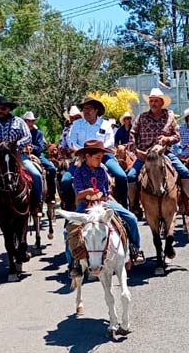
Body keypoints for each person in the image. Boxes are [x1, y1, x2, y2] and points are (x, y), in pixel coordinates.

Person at [65, 140, 143, 274]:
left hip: (104, 202)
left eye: (101, 158)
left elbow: (106, 192)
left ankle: (134, 249)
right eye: (97, 158)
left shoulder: (101, 170)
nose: (100, 161)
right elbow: (78, 195)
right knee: (68, 231)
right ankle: (74, 263)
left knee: (131, 218)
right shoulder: (78, 172)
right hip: (85, 204)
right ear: (87, 157)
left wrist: (116, 205)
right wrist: (87, 192)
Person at [127, 88, 189, 215]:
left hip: (164, 152)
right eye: (151, 100)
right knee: (131, 176)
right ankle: (134, 205)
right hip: (145, 154)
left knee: (184, 171)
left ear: (161, 103)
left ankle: (188, 202)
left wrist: (167, 139)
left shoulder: (170, 117)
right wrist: (136, 151)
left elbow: (177, 137)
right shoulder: (142, 117)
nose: (153, 103)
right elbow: (132, 133)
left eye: (155, 101)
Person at [0, 96, 44, 219]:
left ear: (9, 109)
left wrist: (15, 144)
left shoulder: (19, 121)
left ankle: (37, 204)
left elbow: (27, 137)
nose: (0, 111)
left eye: (3, 108)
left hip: (17, 154)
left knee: (36, 174)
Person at [61, 96, 128, 208]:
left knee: (121, 176)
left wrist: (97, 151)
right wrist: (82, 152)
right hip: (82, 156)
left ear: (96, 110)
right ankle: (70, 207)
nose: (86, 111)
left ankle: (124, 207)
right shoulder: (77, 124)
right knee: (65, 180)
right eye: (84, 109)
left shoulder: (105, 124)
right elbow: (71, 141)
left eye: (89, 108)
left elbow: (110, 141)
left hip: (104, 155)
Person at [23, 111, 57, 206]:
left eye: (32, 121)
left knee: (52, 168)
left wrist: (32, 148)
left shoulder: (38, 133)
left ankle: (51, 195)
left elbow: (41, 147)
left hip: (37, 155)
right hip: (22, 156)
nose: (30, 123)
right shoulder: (20, 133)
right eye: (28, 121)